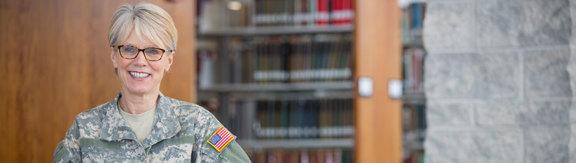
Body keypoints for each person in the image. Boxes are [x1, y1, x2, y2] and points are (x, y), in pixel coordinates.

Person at [53, 2, 250, 162]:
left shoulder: (197, 124)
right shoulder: (84, 130)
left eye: (153, 51)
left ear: (169, 60)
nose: (140, 61)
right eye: (129, 49)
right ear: (114, 56)